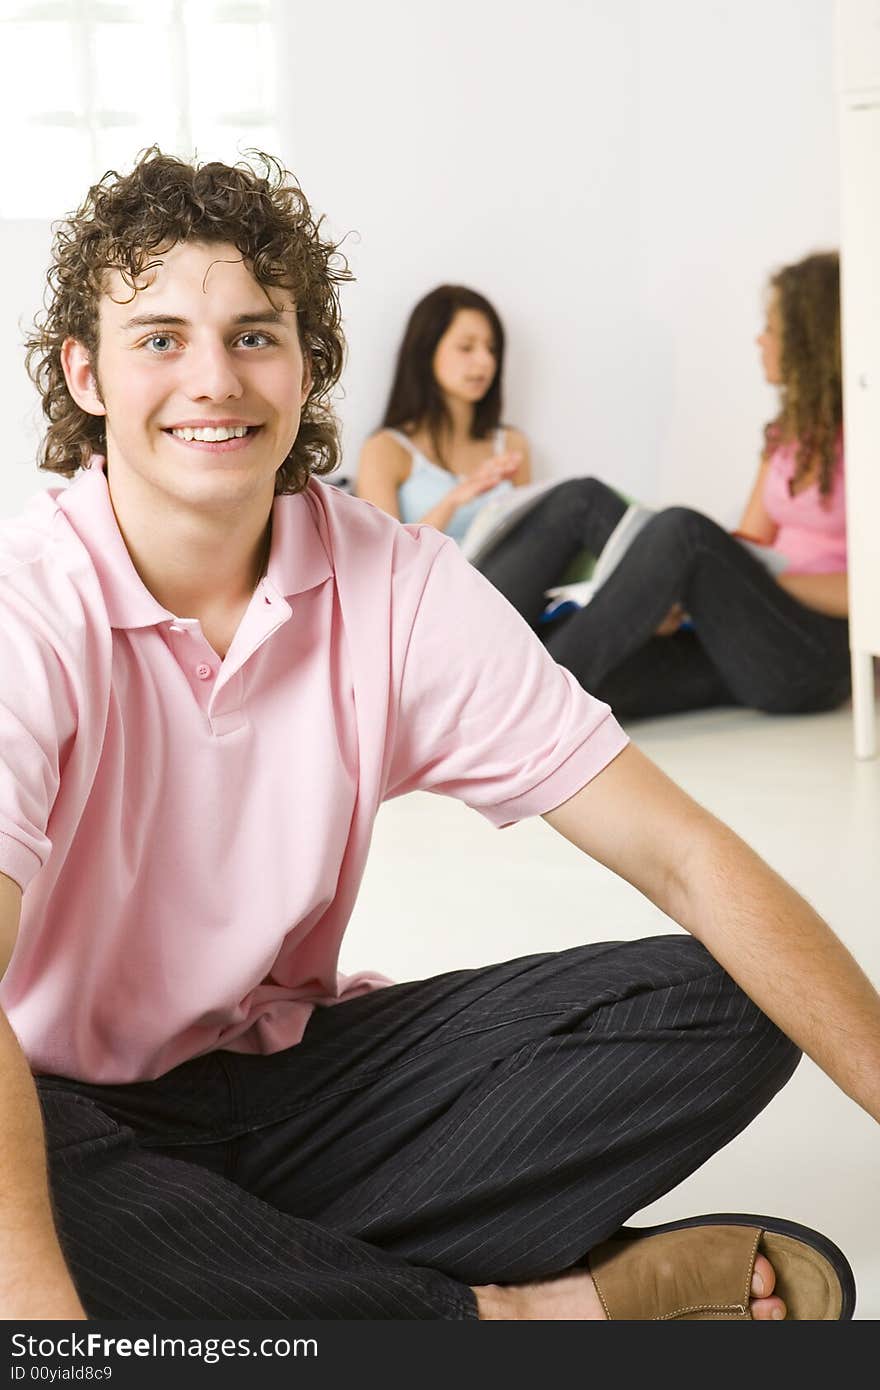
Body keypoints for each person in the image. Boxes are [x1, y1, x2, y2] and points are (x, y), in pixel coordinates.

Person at [1, 149, 878, 1323]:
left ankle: (242, 1273)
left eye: (255, 334)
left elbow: (686, 857)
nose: (214, 379)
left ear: (307, 360)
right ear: (86, 374)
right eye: (159, 337)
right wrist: (51, 1337)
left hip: (296, 1082)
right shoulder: (27, 607)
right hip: (67, 1111)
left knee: (733, 995)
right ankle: (520, 1314)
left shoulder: (397, 583)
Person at [357, 263, 848, 721]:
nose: (760, 339)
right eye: (466, 347)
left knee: (678, 530)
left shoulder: (862, 444)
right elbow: (752, 543)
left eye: (774, 329)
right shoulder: (784, 438)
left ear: (809, 343)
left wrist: (727, 582)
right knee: (569, 664)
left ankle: (507, 710)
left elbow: (782, 573)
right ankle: (493, 703)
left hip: (811, 653)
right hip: (437, 615)